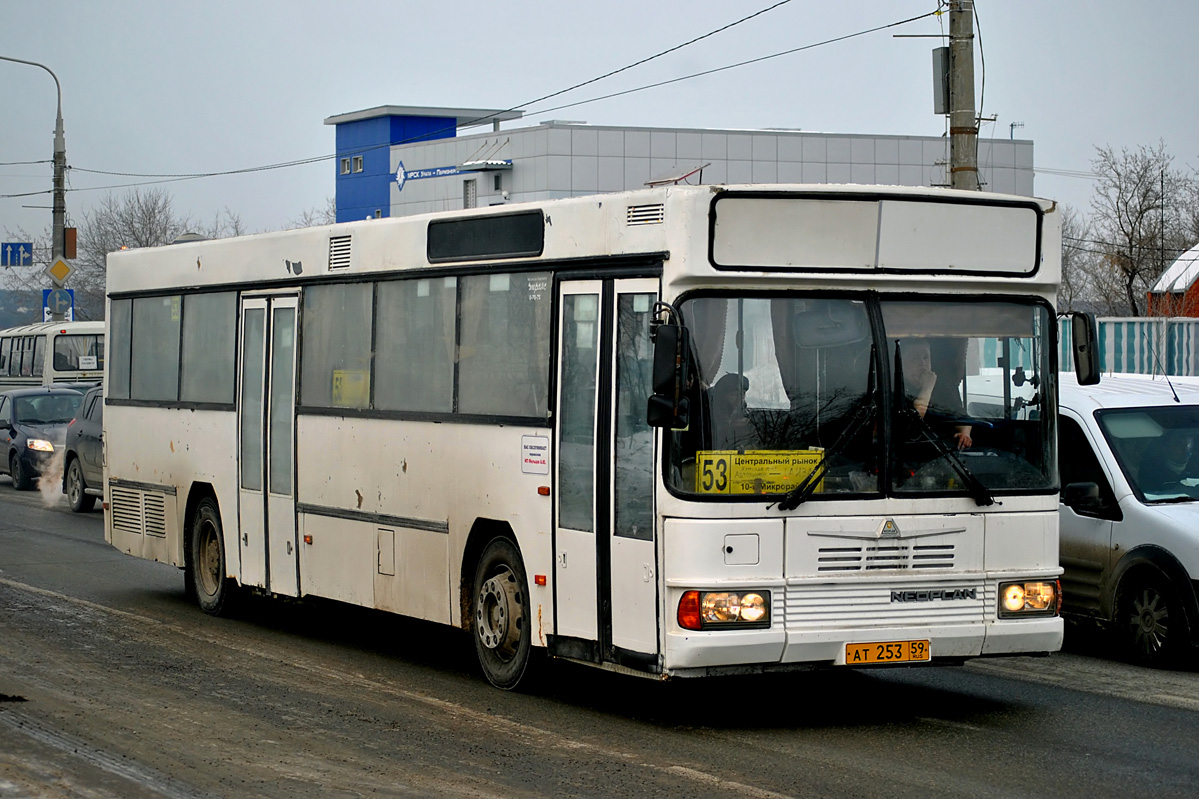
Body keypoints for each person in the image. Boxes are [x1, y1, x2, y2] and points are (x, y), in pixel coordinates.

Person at [901, 339, 972, 449]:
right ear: (902, 363)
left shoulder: (942, 386)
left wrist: (965, 433)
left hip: (943, 453)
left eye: (926, 358)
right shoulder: (894, 388)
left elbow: (961, 416)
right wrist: (927, 388)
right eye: (915, 358)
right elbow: (912, 425)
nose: (922, 363)